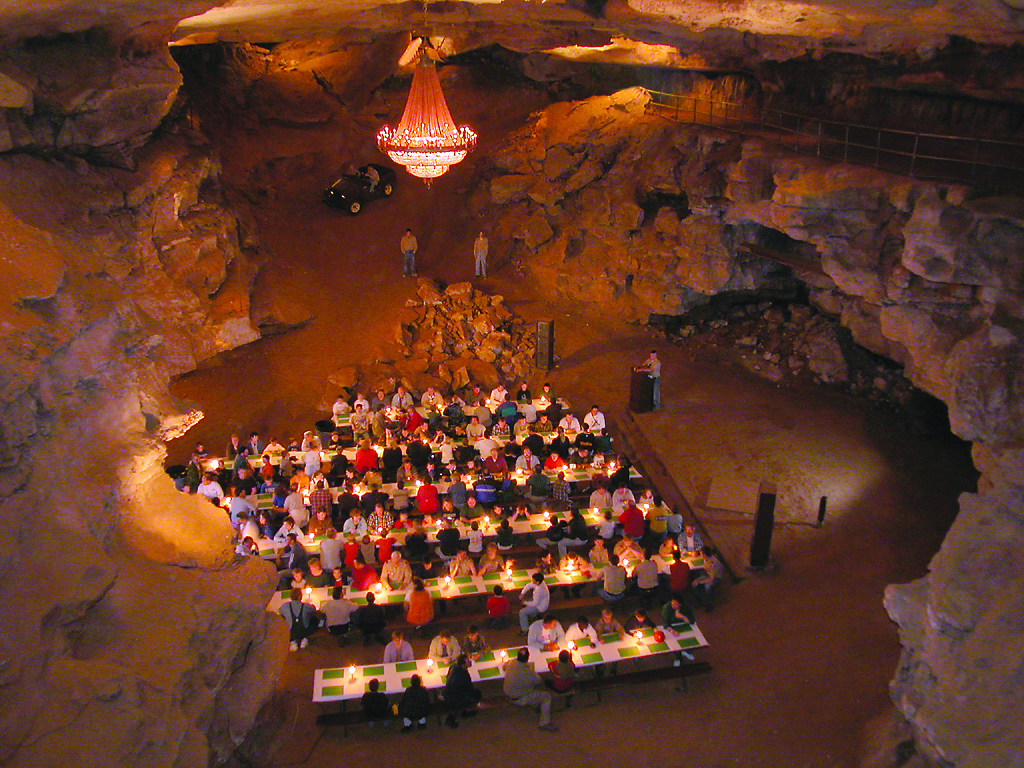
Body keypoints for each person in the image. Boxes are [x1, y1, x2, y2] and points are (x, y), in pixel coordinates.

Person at [503, 648, 558, 732]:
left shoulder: (512, 663)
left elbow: (504, 667)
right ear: (527, 658)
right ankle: (544, 723)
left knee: (531, 690)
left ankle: (536, 705)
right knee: (546, 696)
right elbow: (538, 680)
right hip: (520, 698)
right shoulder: (528, 672)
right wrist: (530, 668)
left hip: (508, 693)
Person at [442, 653, 481, 728]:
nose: (470, 662)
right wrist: (477, 701)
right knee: (477, 694)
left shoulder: (453, 667)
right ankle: (459, 714)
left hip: (448, 694)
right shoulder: (464, 675)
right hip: (455, 699)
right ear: (463, 665)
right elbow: (469, 689)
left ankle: (462, 711)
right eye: (468, 661)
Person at [661, 594, 697, 664]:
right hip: (672, 626)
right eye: (672, 602)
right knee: (675, 643)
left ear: (680, 604)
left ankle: (687, 652)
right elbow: (665, 623)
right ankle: (677, 658)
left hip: (684, 625)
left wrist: (682, 617)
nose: (672, 604)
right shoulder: (666, 608)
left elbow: (692, 620)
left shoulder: (686, 608)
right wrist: (672, 630)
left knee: (692, 638)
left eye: (675, 603)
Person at [692, 546, 725, 610]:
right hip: (708, 575)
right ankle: (701, 600)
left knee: (708, 587)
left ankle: (708, 604)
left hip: (716, 579)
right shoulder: (706, 559)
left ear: (704, 554)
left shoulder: (713, 563)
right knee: (694, 583)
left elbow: (711, 578)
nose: (701, 555)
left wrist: (699, 582)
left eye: (701, 554)